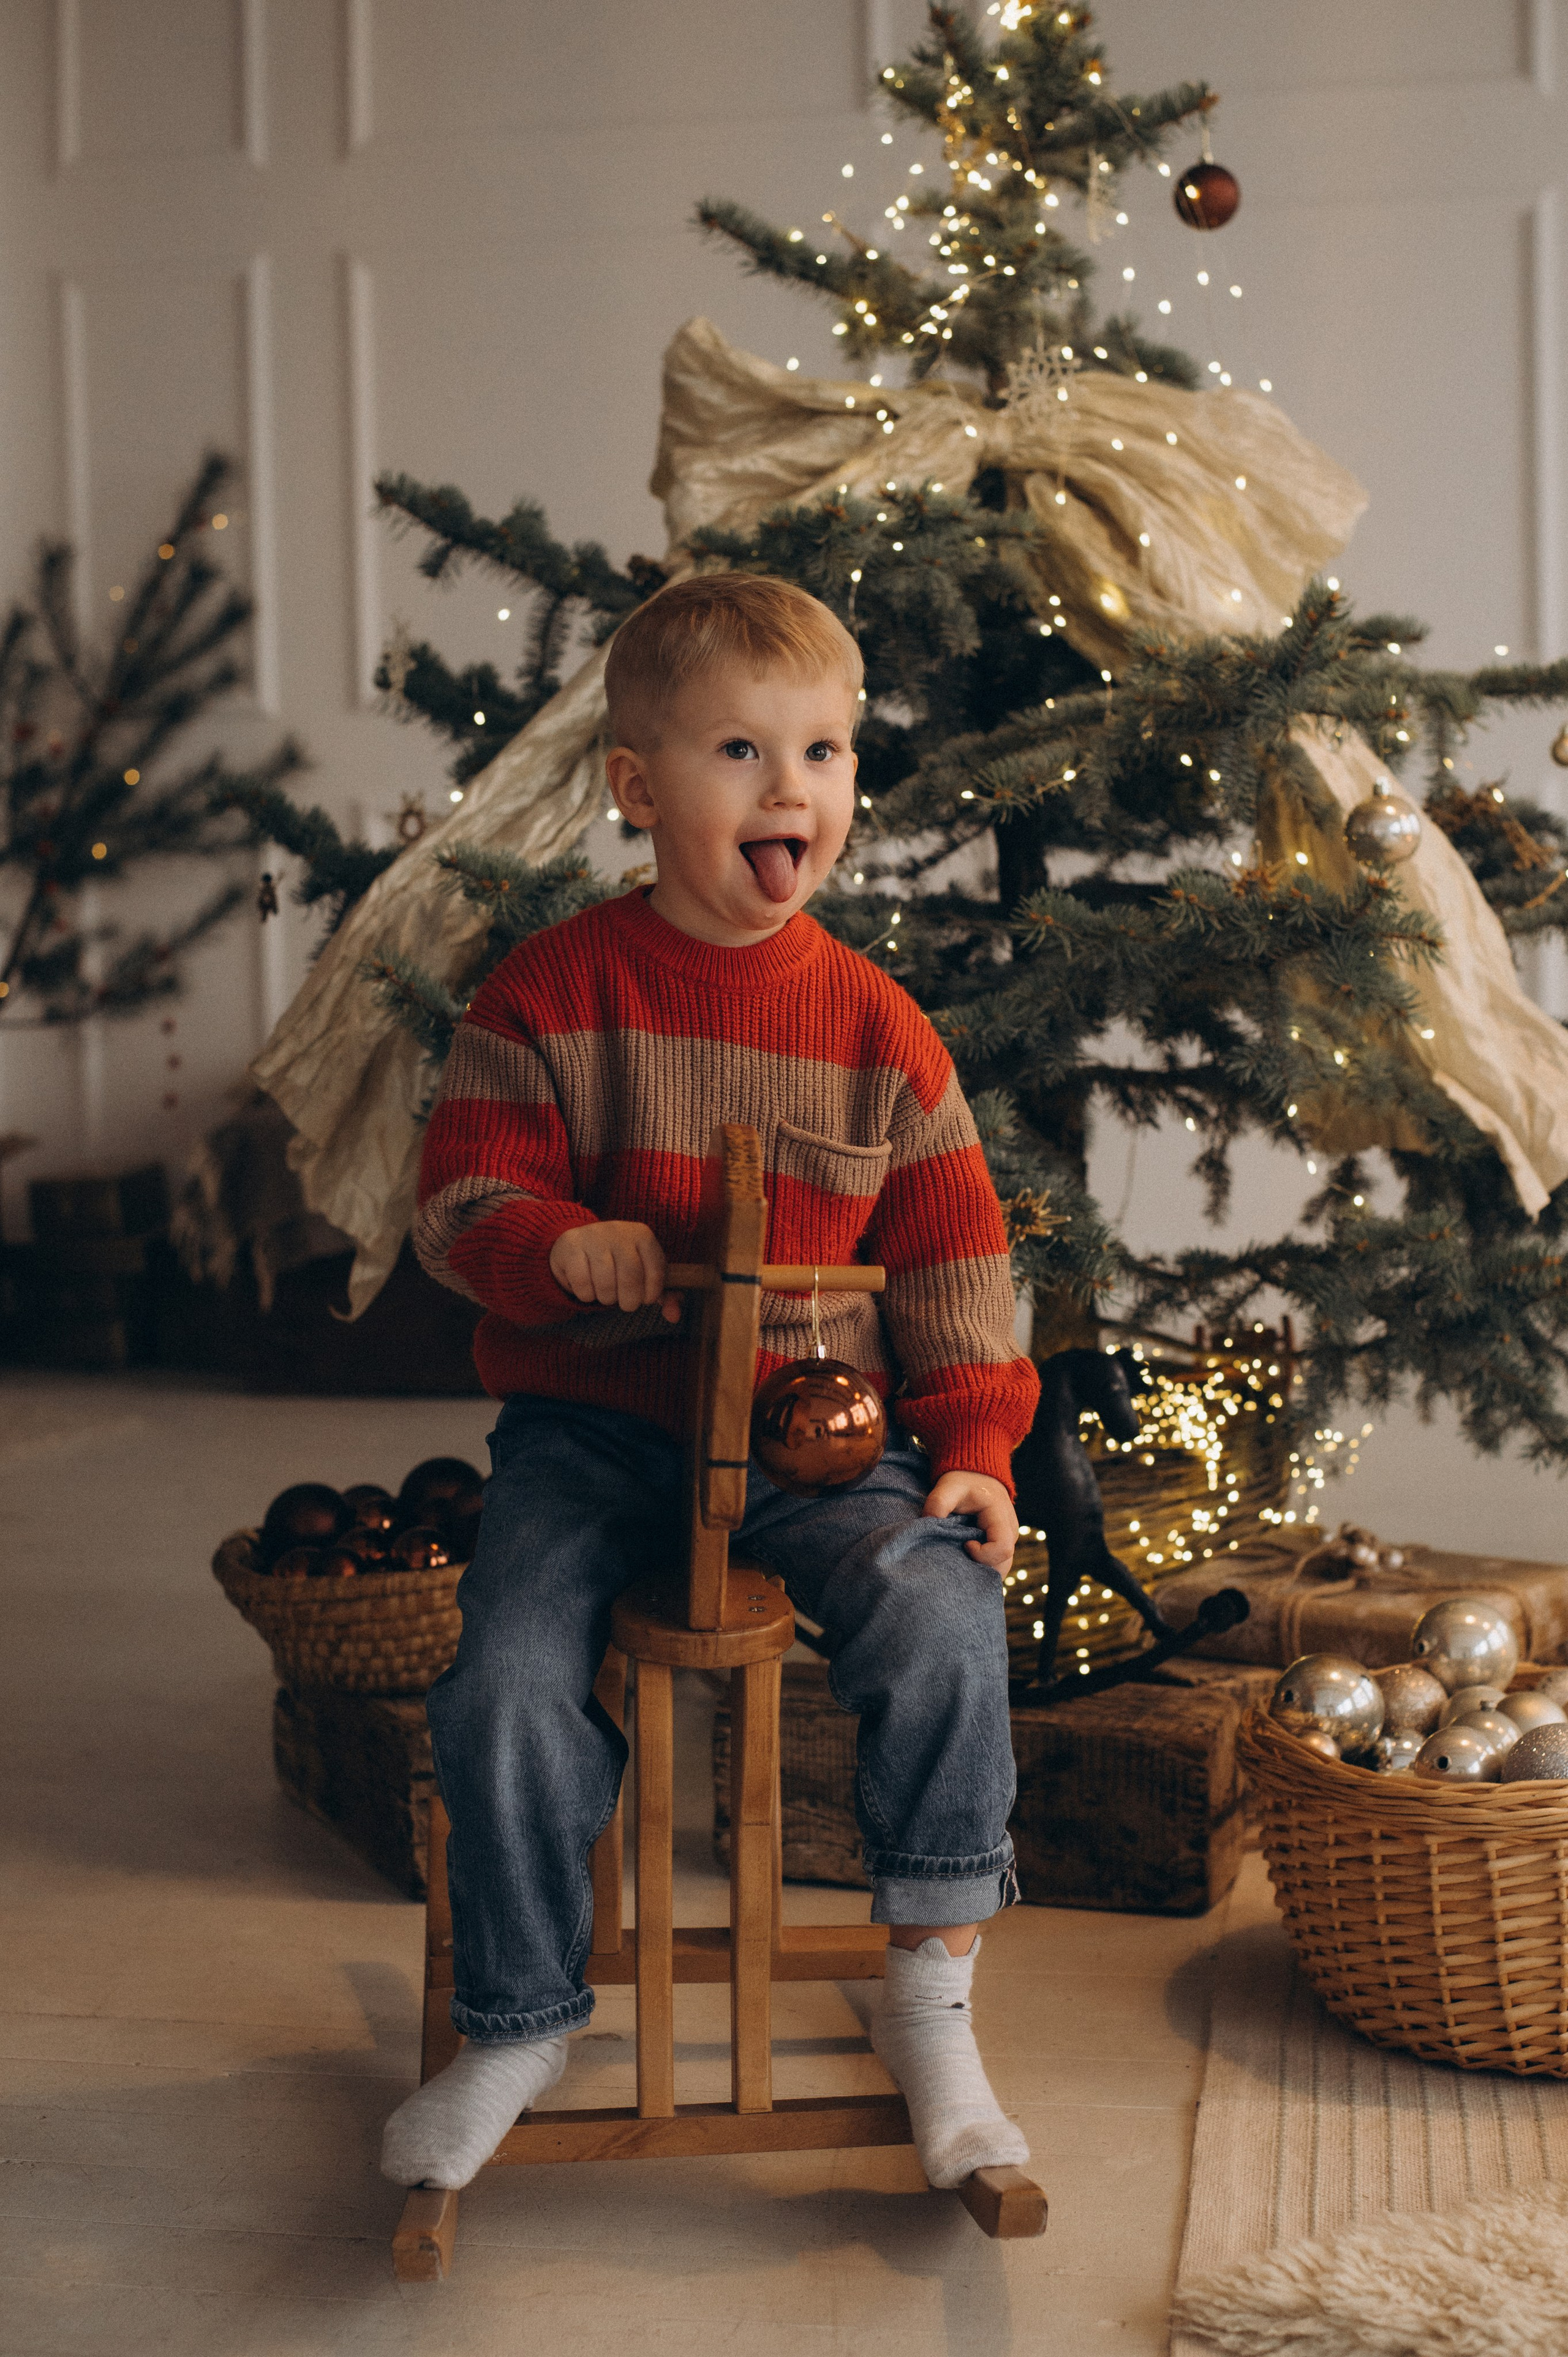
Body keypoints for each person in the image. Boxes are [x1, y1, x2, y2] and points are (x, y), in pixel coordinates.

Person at [380, 572, 1041, 2196]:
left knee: (944, 1607)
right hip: (596, 1430)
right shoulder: (549, 993)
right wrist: (557, 1246)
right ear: (635, 787)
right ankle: (523, 2015)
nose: (791, 789)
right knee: (510, 1681)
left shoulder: (881, 1028)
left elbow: (956, 1262)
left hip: (824, 1441)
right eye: (742, 751)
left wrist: (975, 1447)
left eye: (823, 751)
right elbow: (461, 1200)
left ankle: (933, 1998)